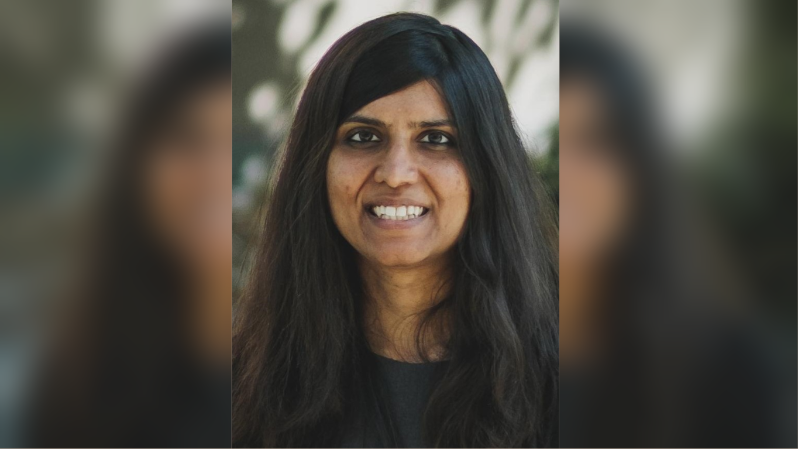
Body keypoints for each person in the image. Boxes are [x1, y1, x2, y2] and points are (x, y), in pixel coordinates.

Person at [232, 12, 558, 448]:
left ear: (487, 168)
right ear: (317, 166)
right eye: (363, 137)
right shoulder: (241, 388)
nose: (396, 173)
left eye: (436, 139)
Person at [559, 24, 795, 448]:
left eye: (594, 143)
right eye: (561, 144)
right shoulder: (507, 339)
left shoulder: (726, 367)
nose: (569, 172)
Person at [30, 22, 232, 448]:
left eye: (229, 142)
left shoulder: (296, 358)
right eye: (187, 139)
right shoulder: (76, 371)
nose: (213, 174)